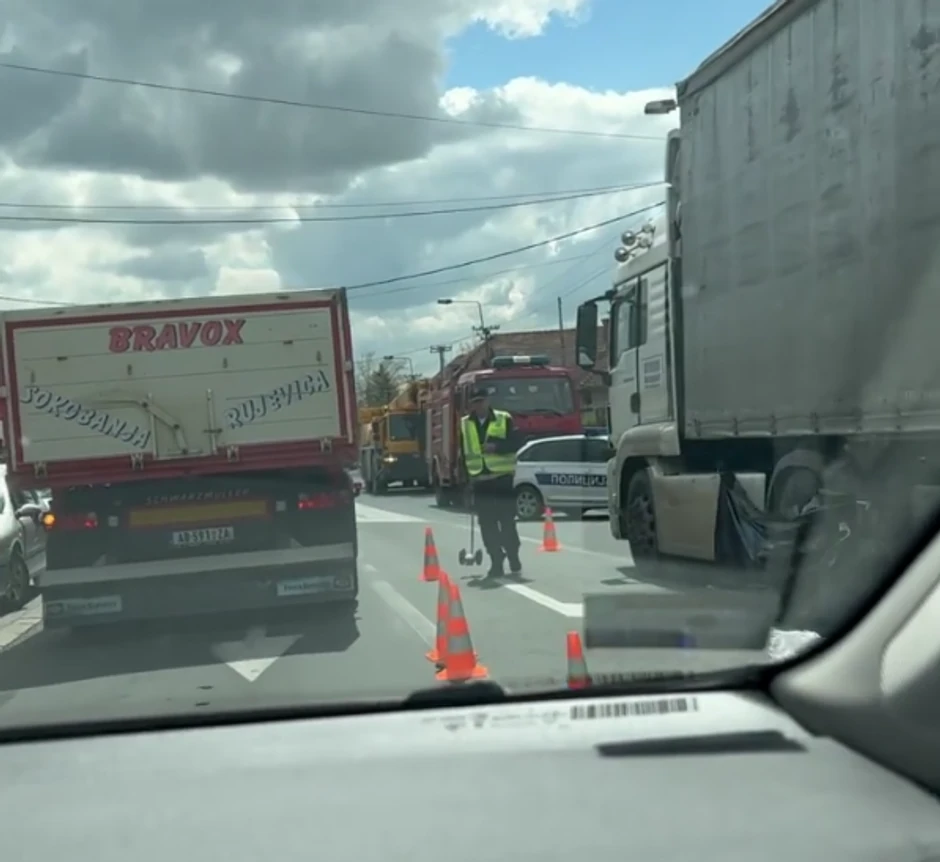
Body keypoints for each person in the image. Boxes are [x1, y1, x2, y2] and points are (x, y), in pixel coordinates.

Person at [459, 387, 522, 578]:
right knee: (487, 525)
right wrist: (465, 481)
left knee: (507, 521)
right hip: (480, 482)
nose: (479, 405)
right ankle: (496, 559)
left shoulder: (504, 418)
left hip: (502, 480)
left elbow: (517, 443)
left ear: (488, 401)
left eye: (481, 401)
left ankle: (512, 554)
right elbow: (463, 453)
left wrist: (497, 447)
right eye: (475, 402)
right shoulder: (465, 424)